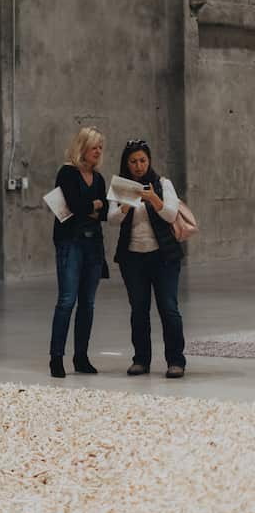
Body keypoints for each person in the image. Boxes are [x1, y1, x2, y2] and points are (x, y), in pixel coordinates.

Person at [108, 139, 186, 378]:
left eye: (142, 160)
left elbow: (171, 214)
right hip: (133, 258)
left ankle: (176, 361)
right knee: (139, 310)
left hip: (164, 257)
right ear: (126, 164)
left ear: (149, 160)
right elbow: (111, 219)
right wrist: (126, 205)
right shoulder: (120, 186)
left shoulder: (163, 183)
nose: (139, 166)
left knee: (169, 308)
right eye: (133, 161)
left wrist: (153, 198)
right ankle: (141, 360)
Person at [49, 126, 108, 379]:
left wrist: (91, 207)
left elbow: (104, 212)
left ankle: (81, 356)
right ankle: (56, 357)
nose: (98, 151)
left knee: (88, 303)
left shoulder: (99, 178)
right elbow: (74, 205)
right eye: (94, 146)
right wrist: (92, 205)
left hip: (93, 244)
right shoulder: (67, 173)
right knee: (67, 300)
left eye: (100, 147)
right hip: (70, 242)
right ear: (82, 147)